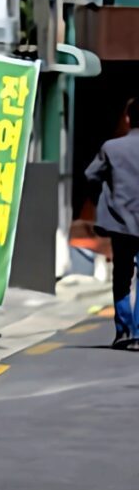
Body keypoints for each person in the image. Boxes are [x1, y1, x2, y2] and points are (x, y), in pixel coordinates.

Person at [86, 97, 139, 349]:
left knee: (122, 276)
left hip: (121, 222)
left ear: (128, 118)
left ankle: (124, 331)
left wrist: (107, 191)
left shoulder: (112, 147)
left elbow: (90, 175)